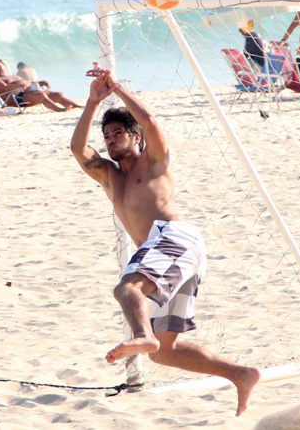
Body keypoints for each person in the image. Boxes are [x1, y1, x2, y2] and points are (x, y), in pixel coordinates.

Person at [70, 66, 261, 417]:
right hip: (171, 253)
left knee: (128, 289)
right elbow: (78, 149)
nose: (110, 139)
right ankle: (241, 374)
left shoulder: (154, 161)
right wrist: (93, 101)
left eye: (117, 133)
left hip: (174, 238)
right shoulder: (111, 178)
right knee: (164, 352)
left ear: (136, 136)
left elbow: (152, 121)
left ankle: (142, 334)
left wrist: (119, 89)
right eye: (107, 135)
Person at [0, 59, 82, 112]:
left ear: (4, 66)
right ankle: (60, 110)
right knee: (41, 96)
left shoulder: (12, 75)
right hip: (18, 96)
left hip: (31, 89)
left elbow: (27, 83)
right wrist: (20, 87)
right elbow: (4, 89)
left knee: (59, 94)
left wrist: (41, 82)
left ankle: (77, 106)